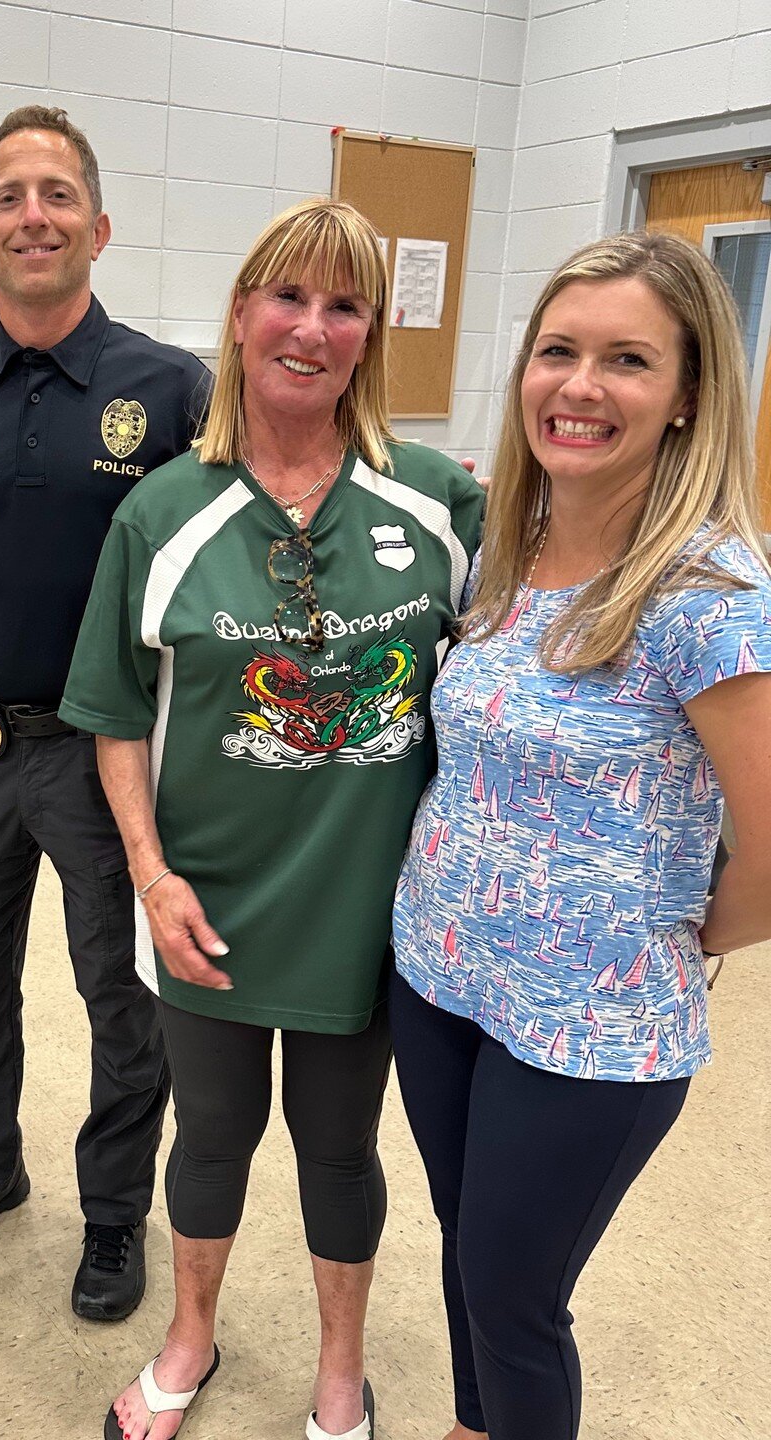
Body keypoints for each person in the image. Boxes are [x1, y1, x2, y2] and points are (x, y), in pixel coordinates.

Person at [61, 198, 484, 1440]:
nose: (311, 327)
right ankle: (190, 1334)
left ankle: (340, 1367)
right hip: (208, 905)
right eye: (286, 298)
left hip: (368, 913)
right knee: (213, 1134)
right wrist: (150, 876)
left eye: (343, 305)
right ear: (240, 317)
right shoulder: (162, 515)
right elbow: (116, 715)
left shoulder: (439, 504)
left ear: (370, 337)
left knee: (340, 1147)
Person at [391, 231, 771, 1440]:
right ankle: (469, 1425)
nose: (581, 386)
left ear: (687, 398)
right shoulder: (509, 551)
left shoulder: (706, 595)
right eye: (559, 352)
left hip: (592, 1027)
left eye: (628, 360)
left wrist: (678, 933)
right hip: (442, 972)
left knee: (513, 1299)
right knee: (465, 1246)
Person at [0, 104, 211, 1320]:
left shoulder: (171, 389)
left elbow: (221, 559)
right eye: (12, 197)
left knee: (123, 1001)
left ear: (99, 226)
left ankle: (115, 1215)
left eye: (57, 194)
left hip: (108, 755)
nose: (35, 215)